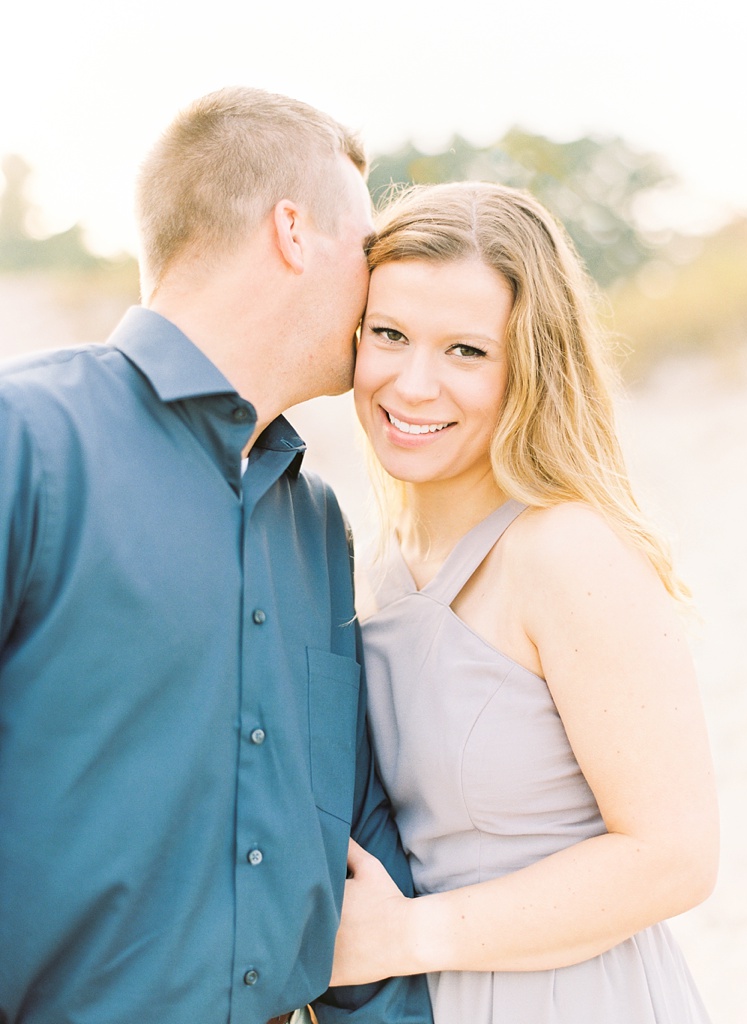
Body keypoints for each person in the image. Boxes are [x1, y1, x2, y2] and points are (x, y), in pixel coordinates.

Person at [0, 87, 432, 1024]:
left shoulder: (314, 520)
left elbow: (350, 834)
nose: (377, 289)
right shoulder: (22, 441)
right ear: (291, 232)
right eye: (364, 248)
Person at [330, 181, 719, 1022]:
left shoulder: (563, 550)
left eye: (466, 351)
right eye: (389, 335)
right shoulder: (383, 552)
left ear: (529, 366)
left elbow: (674, 856)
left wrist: (406, 938)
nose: (413, 384)